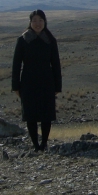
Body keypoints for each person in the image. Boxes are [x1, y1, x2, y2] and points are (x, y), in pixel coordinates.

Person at [12, 9, 62, 151]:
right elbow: (16, 64)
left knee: (47, 114)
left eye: (40, 20)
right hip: (28, 82)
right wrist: (16, 86)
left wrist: (58, 86)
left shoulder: (50, 40)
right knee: (30, 115)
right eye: (34, 20)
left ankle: (44, 143)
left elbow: (56, 64)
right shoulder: (23, 40)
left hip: (47, 81)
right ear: (30, 22)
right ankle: (35, 145)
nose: (37, 23)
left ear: (45, 22)